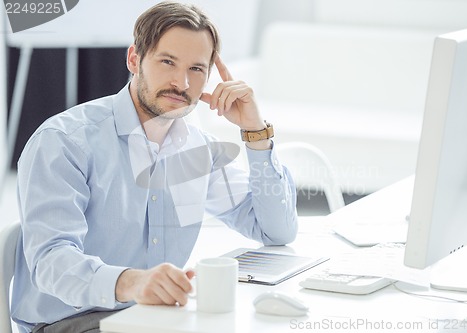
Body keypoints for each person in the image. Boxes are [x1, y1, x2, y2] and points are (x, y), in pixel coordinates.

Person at [11, 2, 298, 332]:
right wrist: (133, 283)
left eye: (196, 69)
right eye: (168, 62)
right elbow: (51, 263)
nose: (182, 83)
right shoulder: (65, 141)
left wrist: (255, 131)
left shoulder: (196, 148)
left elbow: (275, 230)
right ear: (134, 59)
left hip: (156, 318)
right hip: (73, 322)